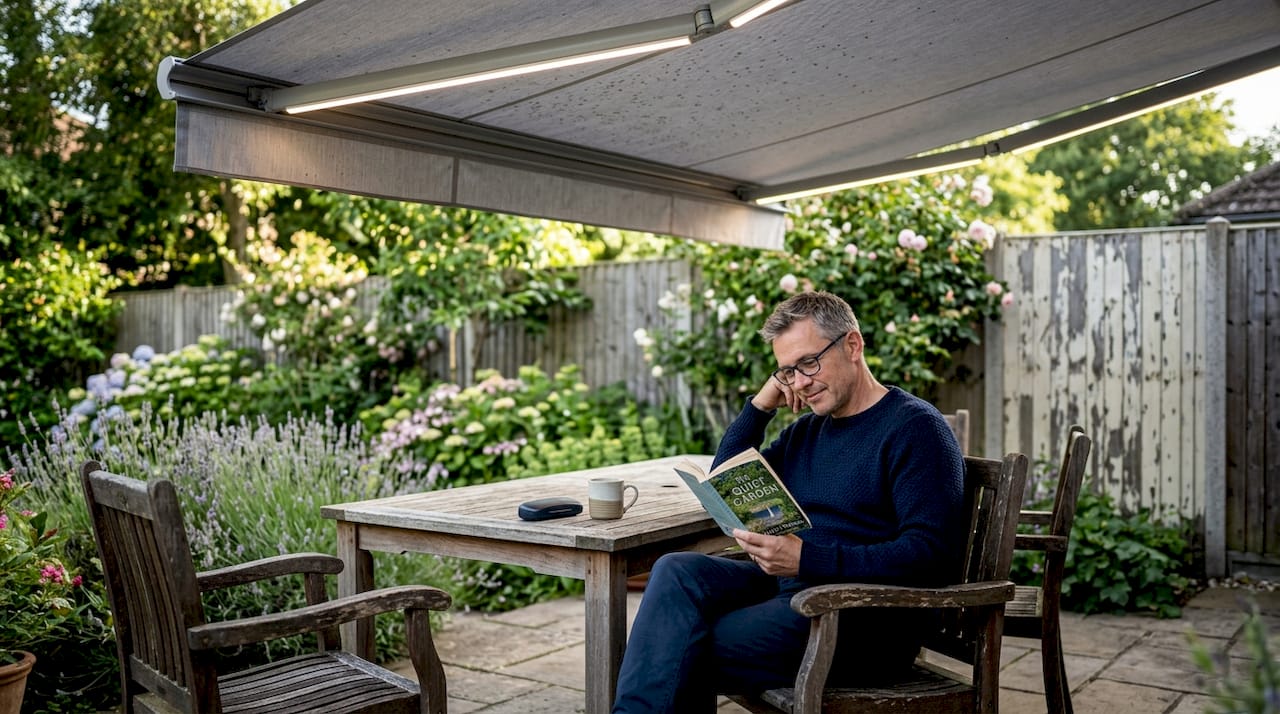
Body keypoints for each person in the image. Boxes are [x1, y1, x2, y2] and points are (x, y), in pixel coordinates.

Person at [612, 290, 967, 713]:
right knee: (676, 571)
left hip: (862, 617)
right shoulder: (808, 431)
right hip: (792, 590)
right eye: (787, 371)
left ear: (853, 345)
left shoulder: (915, 428)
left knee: (678, 643)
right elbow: (728, 483)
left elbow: (931, 553)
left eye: (808, 363)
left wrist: (807, 560)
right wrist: (761, 406)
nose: (799, 383)